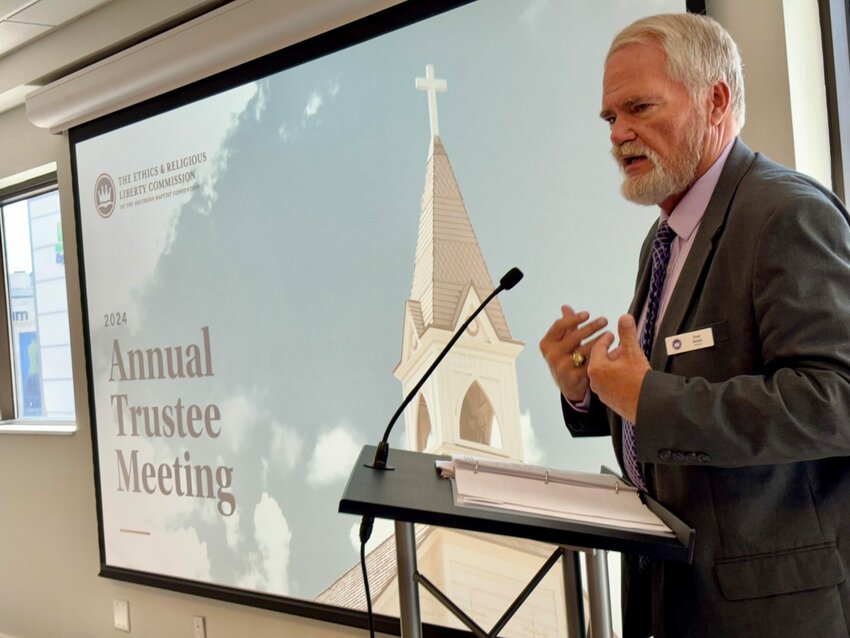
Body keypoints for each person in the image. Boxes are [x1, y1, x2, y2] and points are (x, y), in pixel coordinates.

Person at [539, 13, 850, 638]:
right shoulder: (664, 237)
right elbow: (670, 393)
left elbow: (835, 400)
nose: (619, 133)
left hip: (768, 612)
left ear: (715, 101)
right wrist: (586, 392)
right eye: (610, 118)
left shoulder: (786, 213)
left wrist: (648, 399)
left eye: (638, 107)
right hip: (674, 597)